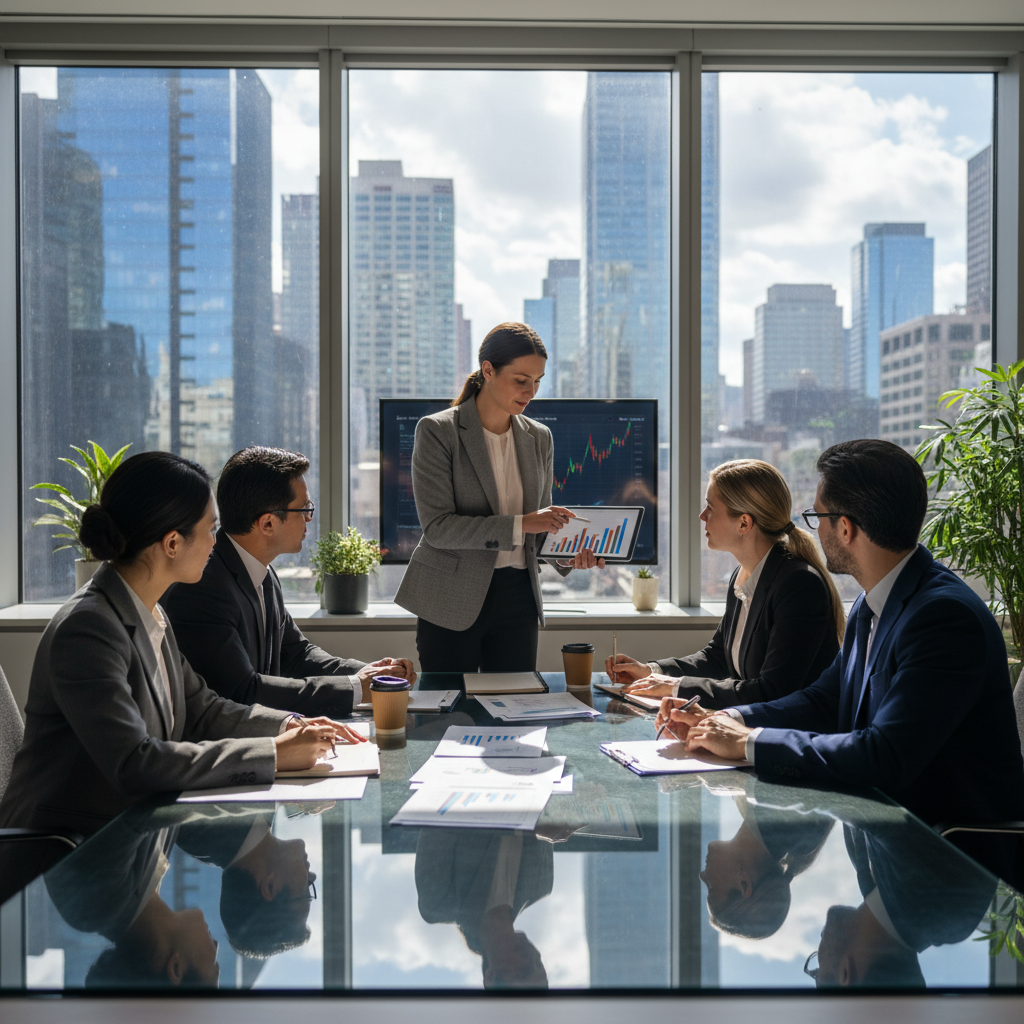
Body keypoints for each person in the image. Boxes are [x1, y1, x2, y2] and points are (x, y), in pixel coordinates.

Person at [658, 439, 1024, 885]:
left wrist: (749, 742)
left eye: (818, 517)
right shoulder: (874, 605)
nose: (812, 529)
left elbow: (885, 754)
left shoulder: (942, 618)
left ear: (845, 528)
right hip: (885, 845)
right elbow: (824, 701)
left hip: (950, 867)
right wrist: (724, 718)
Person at [0, 451, 361, 839]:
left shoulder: (150, 612)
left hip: (132, 842)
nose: (216, 541)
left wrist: (289, 724)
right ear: (172, 543)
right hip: (61, 858)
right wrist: (274, 754)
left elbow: (201, 709)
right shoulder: (88, 628)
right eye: (211, 529)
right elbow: (136, 762)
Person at [395, 322, 603, 672]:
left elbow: (538, 532)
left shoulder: (539, 437)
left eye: (537, 381)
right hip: (451, 595)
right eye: (521, 380)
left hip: (519, 597)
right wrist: (523, 523)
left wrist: (567, 557)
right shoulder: (438, 431)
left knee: (516, 709)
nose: (531, 391)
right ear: (487, 370)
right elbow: (439, 529)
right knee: (449, 711)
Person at [163, 446, 415, 718]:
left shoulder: (262, 571)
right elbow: (242, 691)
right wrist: (355, 688)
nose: (309, 519)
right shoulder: (203, 587)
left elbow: (295, 654)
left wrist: (368, 672)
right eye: (304, 509)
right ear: (268, 524)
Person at [605, 459, 844, 707]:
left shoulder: (799, 585)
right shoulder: (743, 575)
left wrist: (676, 687)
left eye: (710, 508)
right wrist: (650, 671)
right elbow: (718, 657)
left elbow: (772, 691)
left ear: (743, 523)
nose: (702, 516)